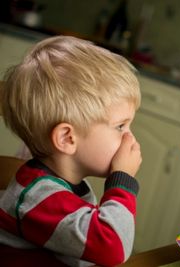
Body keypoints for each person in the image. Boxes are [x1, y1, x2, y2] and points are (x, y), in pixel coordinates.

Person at [0, 35, 142, 266]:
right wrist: (122, 182)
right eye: (120, 126)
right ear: (67, 138)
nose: (130, 138)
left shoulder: (61, 185)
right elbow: (112, 248)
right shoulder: (39, 198)